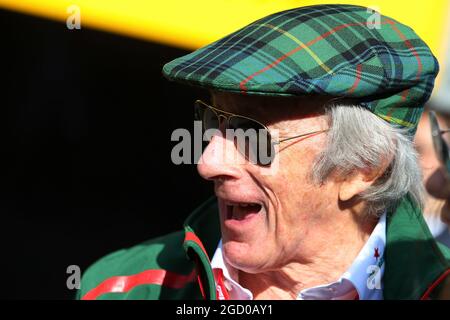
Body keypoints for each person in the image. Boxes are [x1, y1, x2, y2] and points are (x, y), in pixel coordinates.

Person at [77, 4, 450, 300]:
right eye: (211, 121)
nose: (208, 162)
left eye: (251, 134)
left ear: (363, 167)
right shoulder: (123, 288)